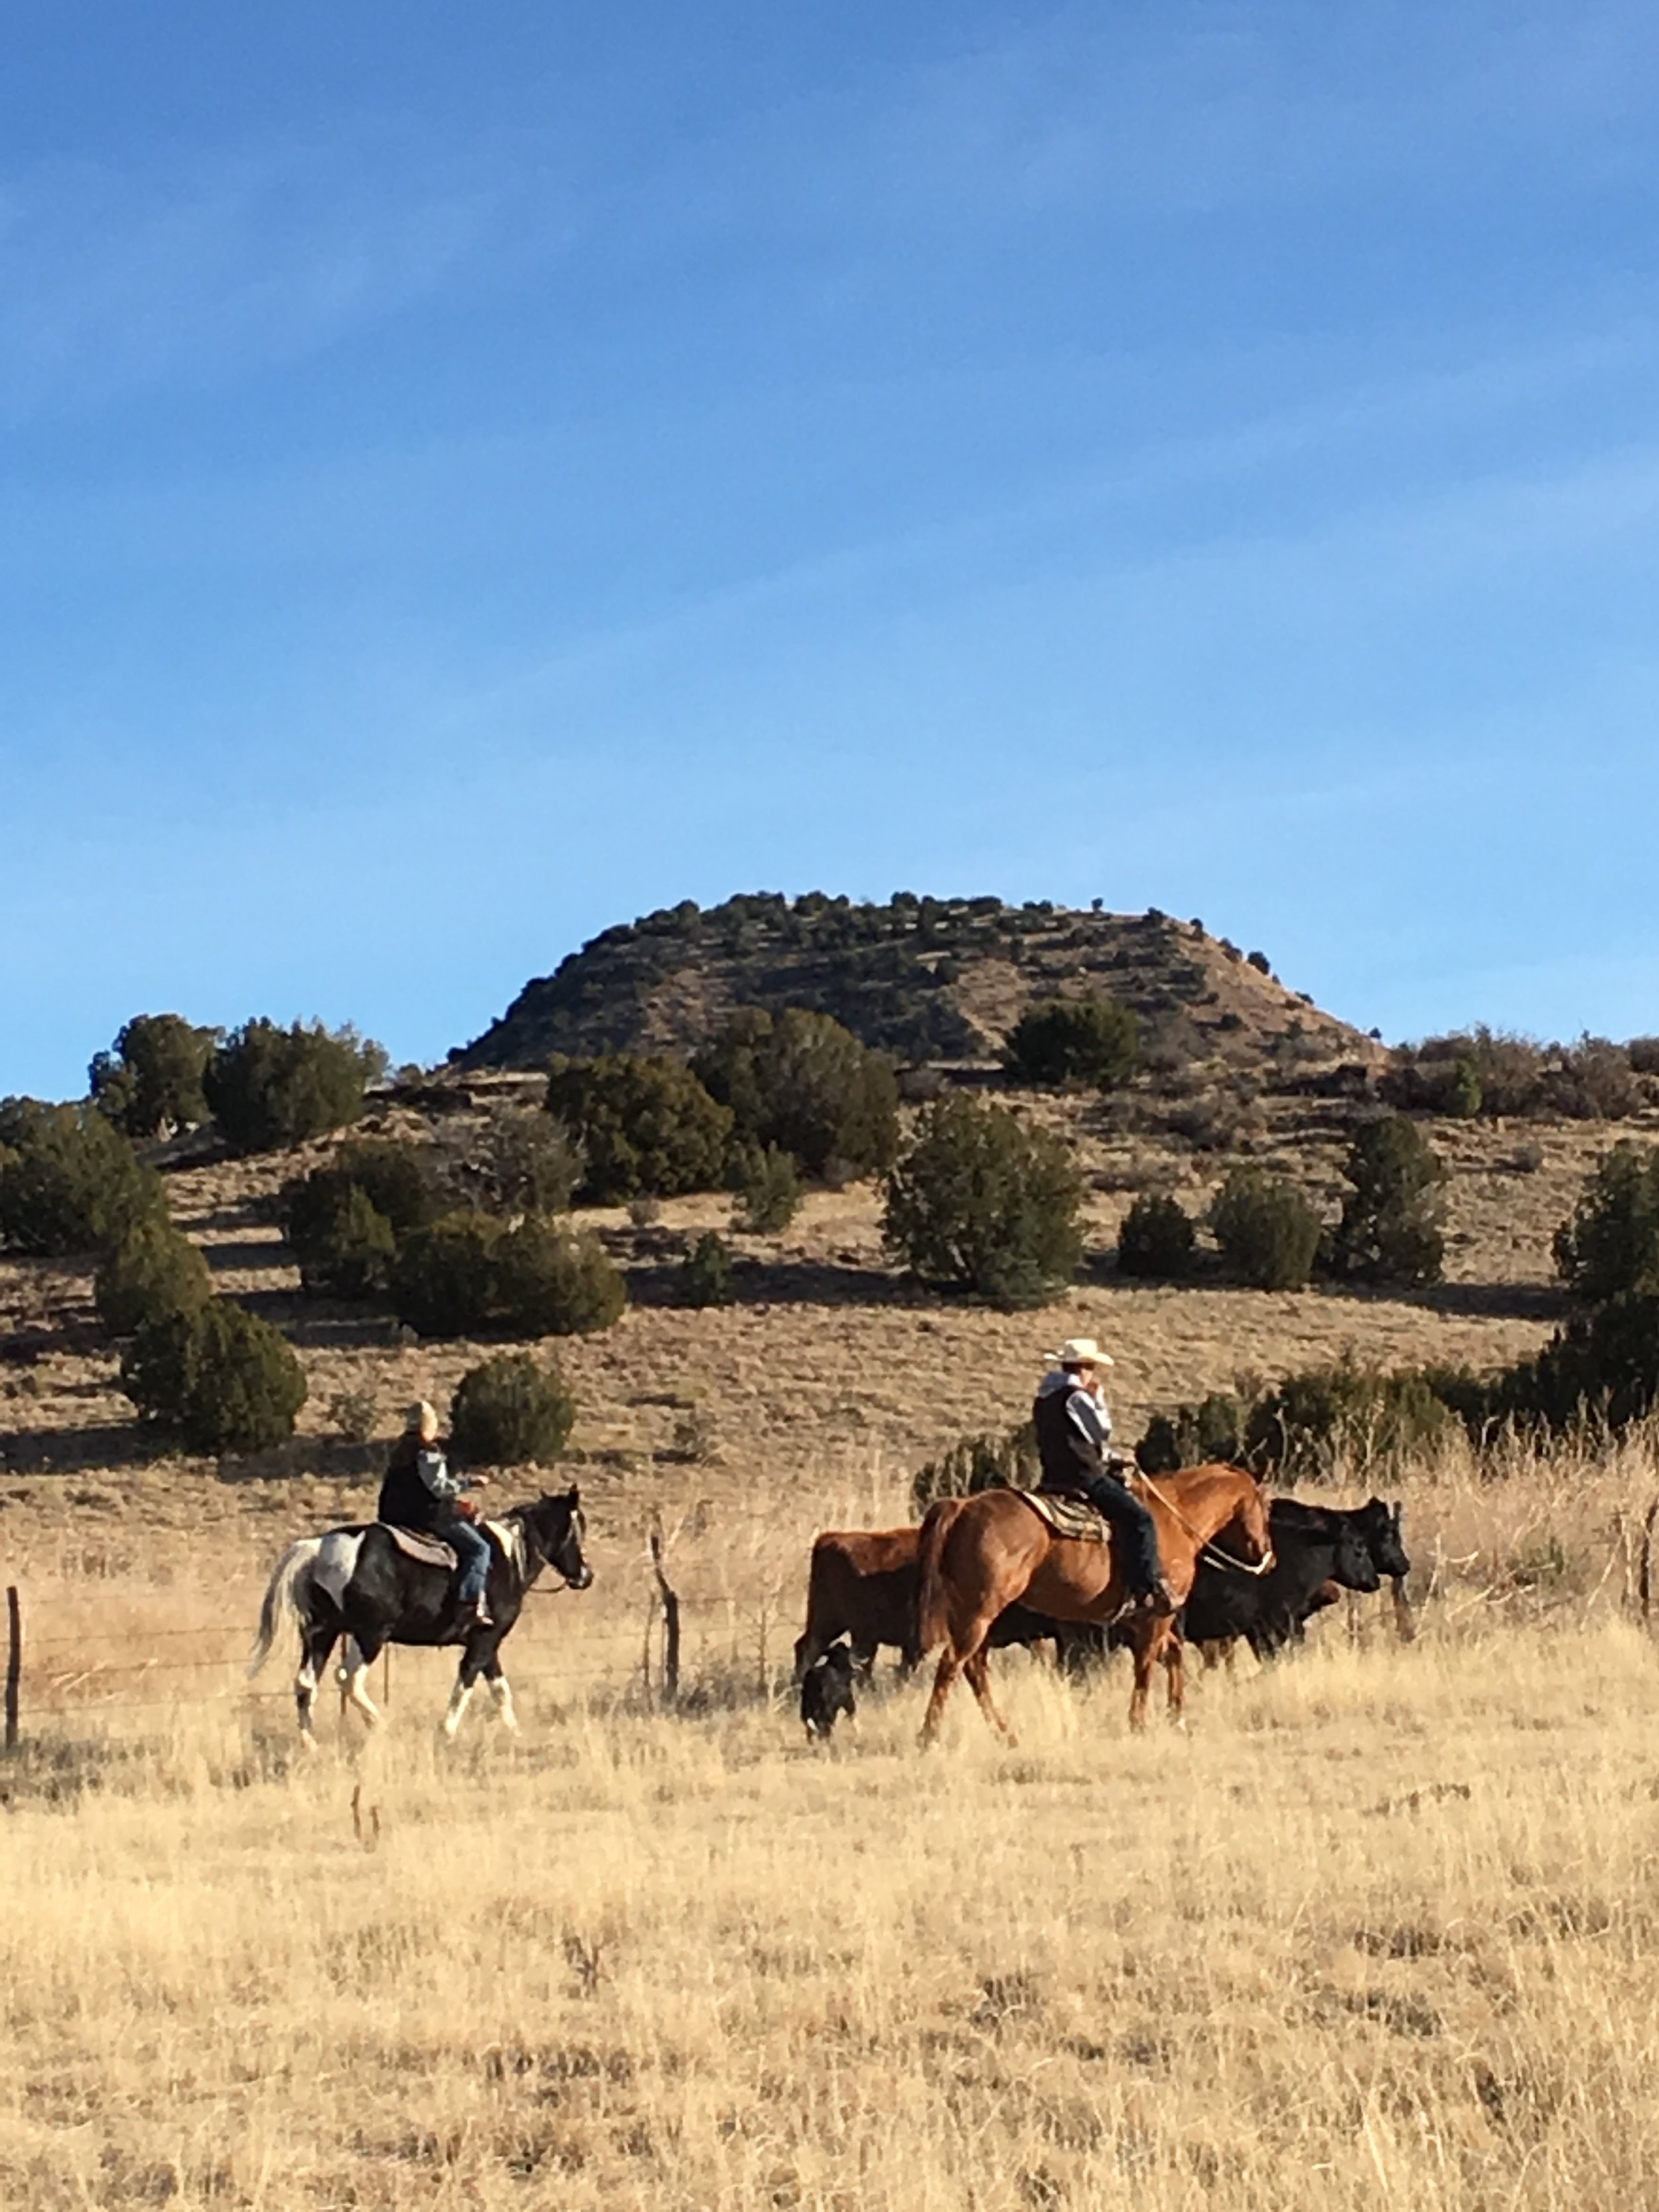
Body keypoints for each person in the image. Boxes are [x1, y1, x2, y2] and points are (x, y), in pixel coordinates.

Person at [1032, 1339, 1174, 1617]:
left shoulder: (1045, 1397)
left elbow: (1073, 1440)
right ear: (1084, 1367)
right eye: (1092, 1368)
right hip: (1084, 1477)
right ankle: (1145, 1588)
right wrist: (1098, 1400)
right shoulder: (1077, 1396)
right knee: (1140, 1519)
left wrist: (1111, 1457)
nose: (1093, 1374)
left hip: (1053, 1477)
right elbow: (1100, 1433)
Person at [377, 1400, 495, 1630]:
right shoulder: (428, 1452)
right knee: (480, 1549)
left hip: (392, 1516)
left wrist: (457, 1503)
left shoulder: (399, 1451)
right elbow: (439, 1487)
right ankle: (469, 1604)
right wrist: (470, 1482)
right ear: (428, 1427)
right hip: (427, 1518)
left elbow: (414, 1489)